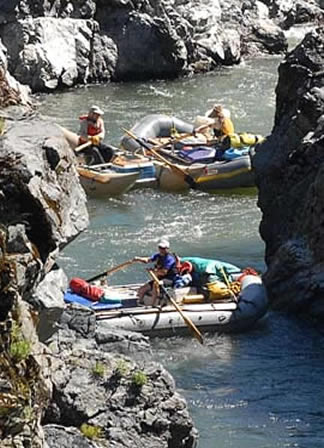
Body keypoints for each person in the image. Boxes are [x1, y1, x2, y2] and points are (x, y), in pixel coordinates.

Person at [134, 239, 178, 306]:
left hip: (169, 279)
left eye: (163, 248)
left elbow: (163, 272)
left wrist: (154, 271)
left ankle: (153, 305)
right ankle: (140, 303)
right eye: (160, 248)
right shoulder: (158, 256)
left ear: (167, 249)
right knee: (142, 290)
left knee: (156, 285)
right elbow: (148, 260)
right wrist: (138, 259)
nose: (161, 250)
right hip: (159, 278)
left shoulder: (169, 259)